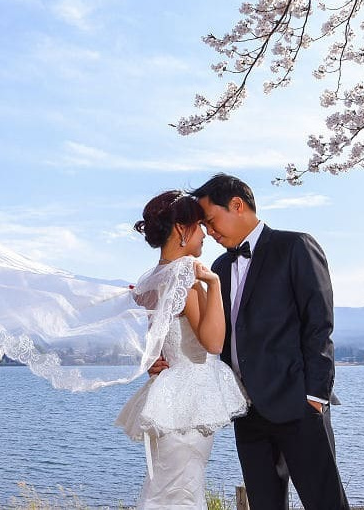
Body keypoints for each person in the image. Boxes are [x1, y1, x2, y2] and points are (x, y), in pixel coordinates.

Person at [191, 173, 349, 510]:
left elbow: (318, 323)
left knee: (325, 503)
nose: (209, 232)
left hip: (299, 405)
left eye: (211, 220)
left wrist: (315, 397)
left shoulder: (295, 246)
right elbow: (218, 336)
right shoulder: (219, 266)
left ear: (237, 205)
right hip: (247, 411)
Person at [116, 190, 248, 509]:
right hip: (189, 402)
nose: (205, 233)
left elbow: (157, 340)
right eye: (200, 225)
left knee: (164, 490)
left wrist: (152, 362)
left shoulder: (151, 278)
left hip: (166, 397)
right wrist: (213, 284)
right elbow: (213, 342)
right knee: (182, 494)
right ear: (181, 229)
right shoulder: (184, 275)